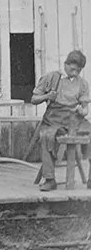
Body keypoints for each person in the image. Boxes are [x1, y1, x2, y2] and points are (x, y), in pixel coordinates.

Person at [32, 50, 91, 191]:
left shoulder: (82, 83)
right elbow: (34, 99)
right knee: (46, 136)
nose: (75, 73)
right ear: (66, 64)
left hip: (74, 119)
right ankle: (50, 179)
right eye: (72, 69)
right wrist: (47, 96)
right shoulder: (52, 77)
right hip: (54, 118)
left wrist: (81, 111)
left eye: (78, 70)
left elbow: (85, 110)